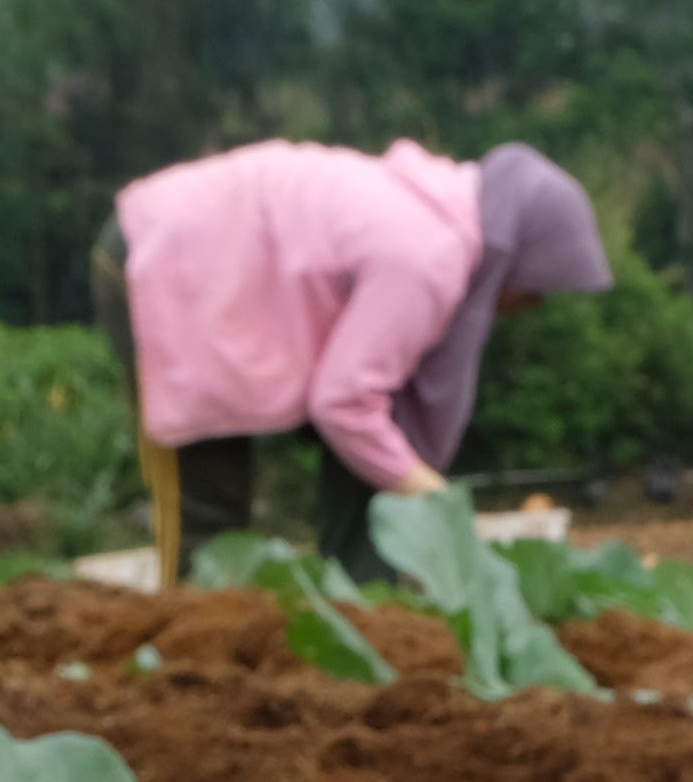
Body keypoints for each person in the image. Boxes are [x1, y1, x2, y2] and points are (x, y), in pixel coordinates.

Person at [92, 139, 612, 590]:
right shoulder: (427, 258)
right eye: (539, 284)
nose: (534, 303)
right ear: (517, 253)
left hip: (211, 274)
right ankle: (180, 673)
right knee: (206, 512)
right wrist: (435, 498)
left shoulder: (435, 215)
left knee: (370, 456)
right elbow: (342, 402)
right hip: (161, 257)